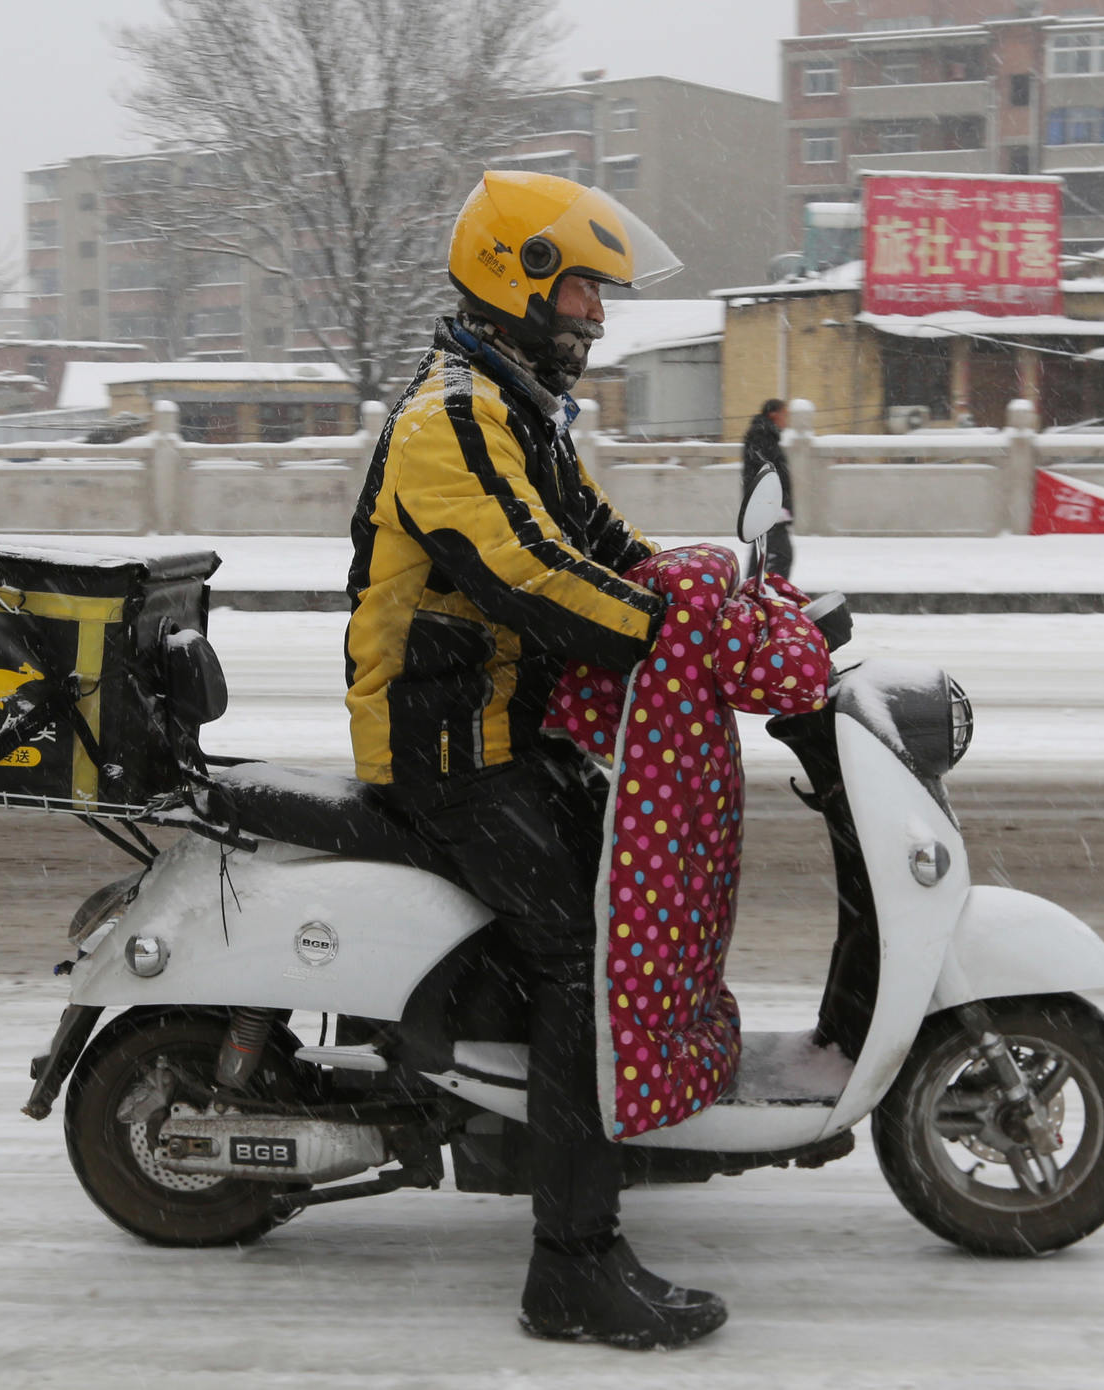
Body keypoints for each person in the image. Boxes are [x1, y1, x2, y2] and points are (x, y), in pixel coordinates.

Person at [343, 170, 728, 1351]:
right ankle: (570, 1266)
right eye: (580, 293)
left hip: (505, 729)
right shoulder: (448, 420)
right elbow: (531, 578)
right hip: (450, 749)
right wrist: (668, 638)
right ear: (516, 281)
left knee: (616, 891)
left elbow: (601, 545)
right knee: (583, 952)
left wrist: (715, 596)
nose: (596, 320)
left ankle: (561, 1141)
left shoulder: (512, 409)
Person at [742, 399, 793, 578]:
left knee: (761, 557)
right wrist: (774, 504)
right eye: (785, 415)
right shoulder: (762, 436)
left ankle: (755, 596)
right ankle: (773, 597)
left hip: (767, 506)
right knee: (781, 556)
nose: (787, 420)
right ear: (773, 414)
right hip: (768, 507)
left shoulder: (765, 436)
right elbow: (764, 473)